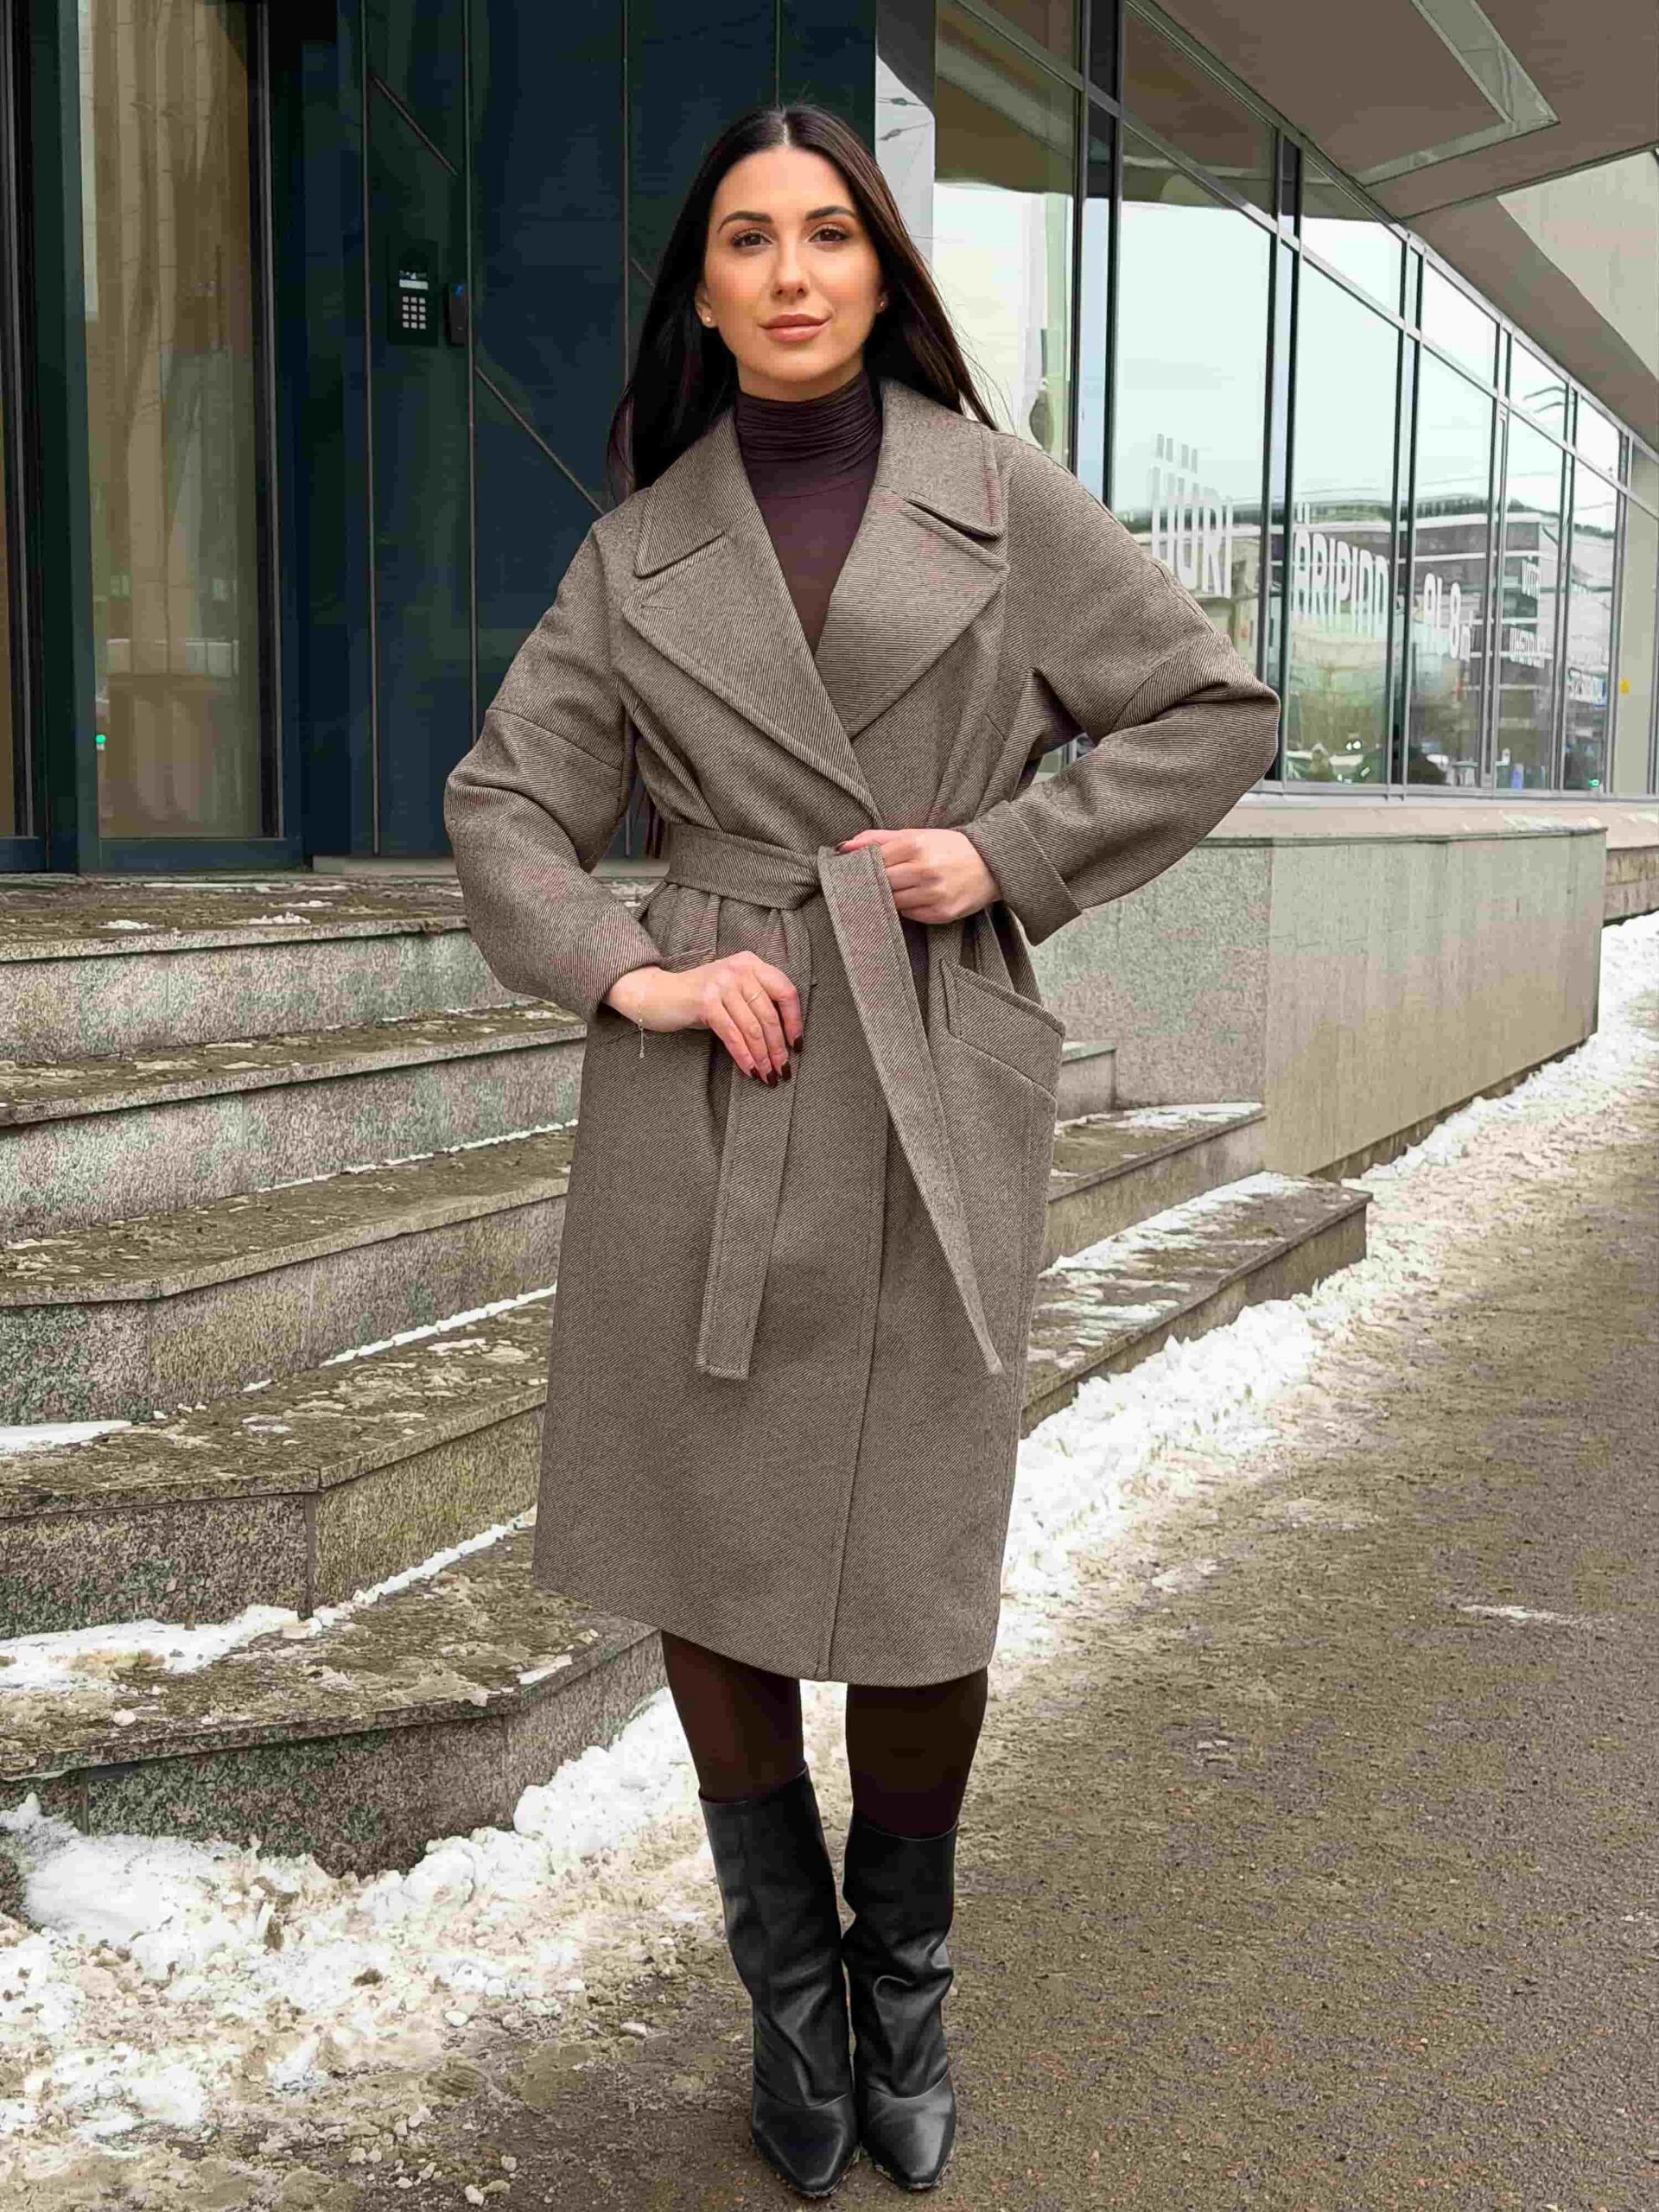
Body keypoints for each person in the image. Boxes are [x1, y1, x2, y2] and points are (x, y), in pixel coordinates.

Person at [444, 103, 1281, 2201]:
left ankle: (904, 1982)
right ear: (704, 293)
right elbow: (506, 804)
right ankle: (790, 1994)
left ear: (883, 273)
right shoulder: (638, 554)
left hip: (926, 1060)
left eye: (830, 233)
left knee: (916, 1574)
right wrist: (635, 969)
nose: (794, 271)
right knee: (709, 1544)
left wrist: (1001, 852)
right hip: (711, 1083)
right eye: (750, 239)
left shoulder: (995, 495)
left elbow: (1210, 708)